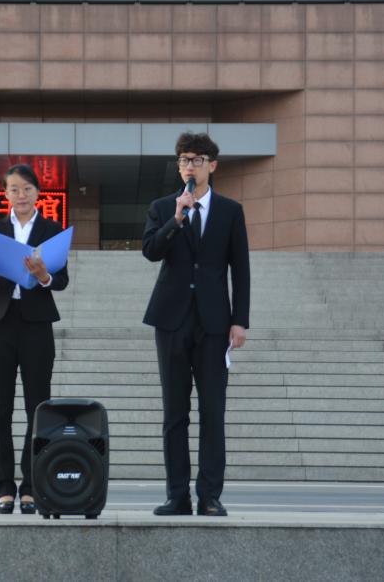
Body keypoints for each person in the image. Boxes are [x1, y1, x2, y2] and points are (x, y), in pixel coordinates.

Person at [142, 132, 250, 517]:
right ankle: (177, 495)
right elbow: (151, 251)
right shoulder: (162, 207)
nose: (190, 166)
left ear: (212, 165)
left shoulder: (230, 211)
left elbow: (241, 269)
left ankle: (209, 495)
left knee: (212, 411)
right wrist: (176, 218)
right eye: (184, 160)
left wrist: (240, 321)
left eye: (197, 160)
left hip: (214, 322)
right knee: (174, 413)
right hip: (171, 320)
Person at [0, 163, 69, 514]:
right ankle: (4, 488)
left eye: (27, 189)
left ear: (38, 192)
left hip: (36, 325)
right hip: (0, 324)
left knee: (37, 408)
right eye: (14, 189)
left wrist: (44, 276)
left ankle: (31, 487)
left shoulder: (52, 230)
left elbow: (61, 280)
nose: (21, 195)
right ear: (5, 194)